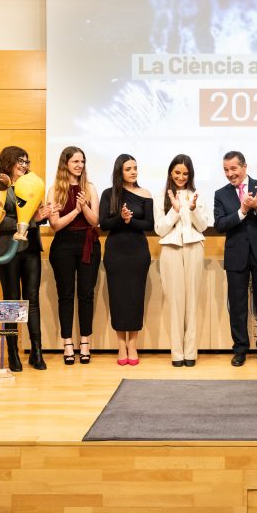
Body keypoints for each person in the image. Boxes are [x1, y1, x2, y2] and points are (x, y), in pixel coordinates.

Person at [213, 151, 257, 367]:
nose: (230, 174)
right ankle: (240, 350)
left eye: (233, 168)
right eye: (226, 170)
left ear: (244, 167)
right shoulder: (220, 194)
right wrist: (242, 211)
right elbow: (220, 225)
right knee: (237, 306)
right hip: (236, 256)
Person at [0, 146, 50, 371]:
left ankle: (37, 351)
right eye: (20, 161)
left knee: (32, 299)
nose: (24, 165)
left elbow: (35, 216)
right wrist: (30, 219)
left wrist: (41, 217)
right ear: (8, 161)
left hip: (31, 248)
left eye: (27, 161)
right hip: (7, 249)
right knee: (12, 301)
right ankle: (12, 353)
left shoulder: (32, 184)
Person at [154, 154, 209, 368]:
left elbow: (203, 226)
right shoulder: (161, 197)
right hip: (170, 249)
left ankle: (190, 352)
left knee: (191, 301)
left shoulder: (197, 196)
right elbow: (160, 229)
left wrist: (192, 209)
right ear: (171, 172)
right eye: (177, 172)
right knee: (174, 302)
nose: (181, 177)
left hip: (194, 247)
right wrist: (174, 211)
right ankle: (177, 353)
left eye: (185, 173)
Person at [47, 146, 101, 365]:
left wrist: (84, 207)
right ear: (65, 164)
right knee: (66, 295)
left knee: (86, 294)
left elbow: (95, 221)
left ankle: (85, 342)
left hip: (88, 244)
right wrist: (76, 211)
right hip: (63, 246)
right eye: (75, 161)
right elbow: (55, 225)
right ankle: (67, 342)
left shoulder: (90, 188)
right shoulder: (54, 190)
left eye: (82, 161)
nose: (80, 165)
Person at [99, 153, 154, 366]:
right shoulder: (109, 194)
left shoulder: (145, 193)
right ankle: (121, 345)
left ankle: (133, 344)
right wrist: (120, 218)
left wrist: (131, 221)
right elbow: (104, 224)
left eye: (135, 168)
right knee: (118, 298)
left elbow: (149, 224)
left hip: (138, 252)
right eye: (128, 169)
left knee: (135, 298)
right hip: (115, 252)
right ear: (119, 171)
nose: (133, 172)